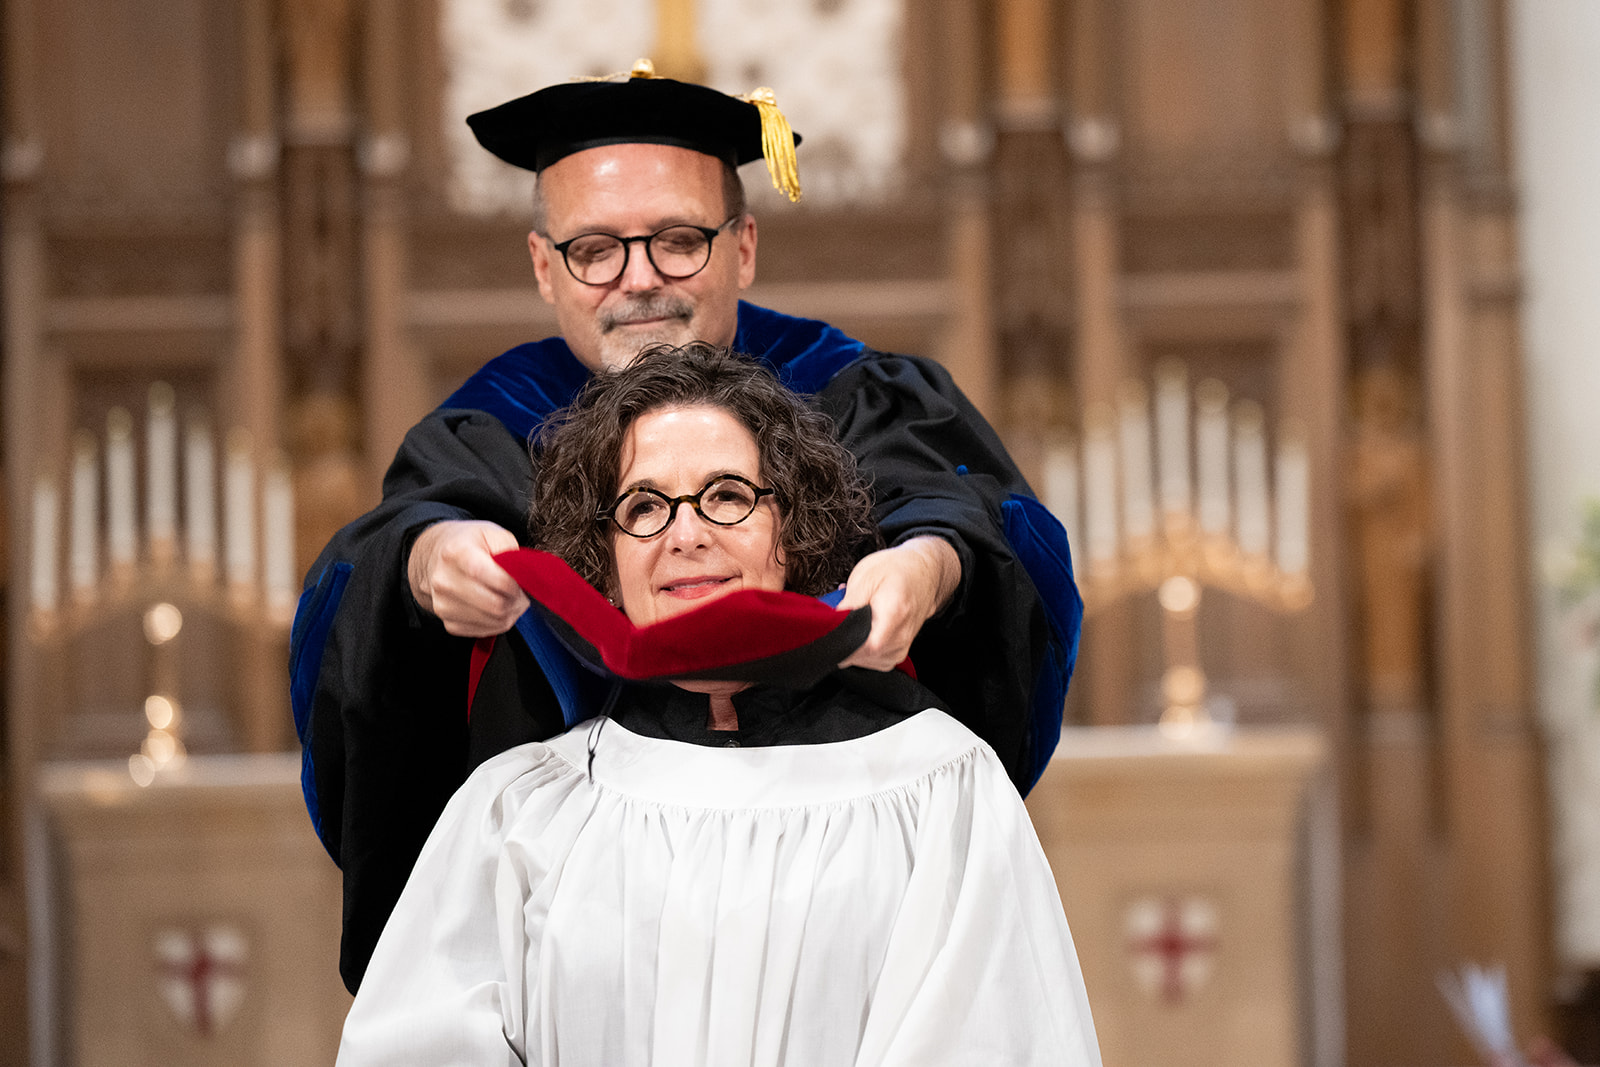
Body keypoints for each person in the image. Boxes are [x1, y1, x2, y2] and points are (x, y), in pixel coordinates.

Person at [290, 61, 1083, 992]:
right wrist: (429, 566)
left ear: (742, 246)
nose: (640, 281)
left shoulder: (847, 392)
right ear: (545, 267)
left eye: (677, 240)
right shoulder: (497, 421)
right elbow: (395, 552)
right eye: (595, 249)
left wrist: (929, 568)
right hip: (585, 923)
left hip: (835, 890)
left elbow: (965, 513)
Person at [335, 343, 1101, 1067]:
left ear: (794, 533)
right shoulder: (522, 806)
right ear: (603, 563)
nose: (686, 534)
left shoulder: (940, 787)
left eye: (728, 496)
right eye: (642, 508)